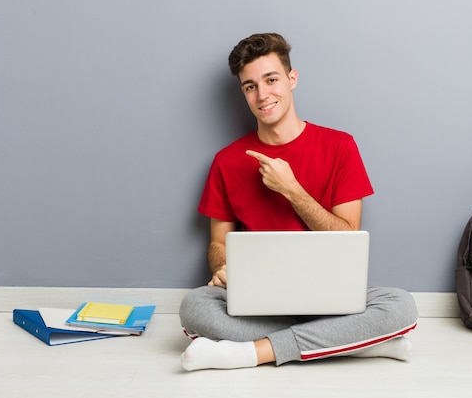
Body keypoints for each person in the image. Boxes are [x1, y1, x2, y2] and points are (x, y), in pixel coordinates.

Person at [179, 33, 418, 371]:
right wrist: (222, 267)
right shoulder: (226, 161)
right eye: (250, 86)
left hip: (330, 299)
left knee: (401, 305)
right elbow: (218, 242)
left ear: (292, 79)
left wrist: (292, 190)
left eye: (271, 80)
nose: (262, 95)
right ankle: (350, 344)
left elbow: (348, 237)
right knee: (194, 306)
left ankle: (250, 353)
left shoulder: (340, 146)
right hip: (257, 300)